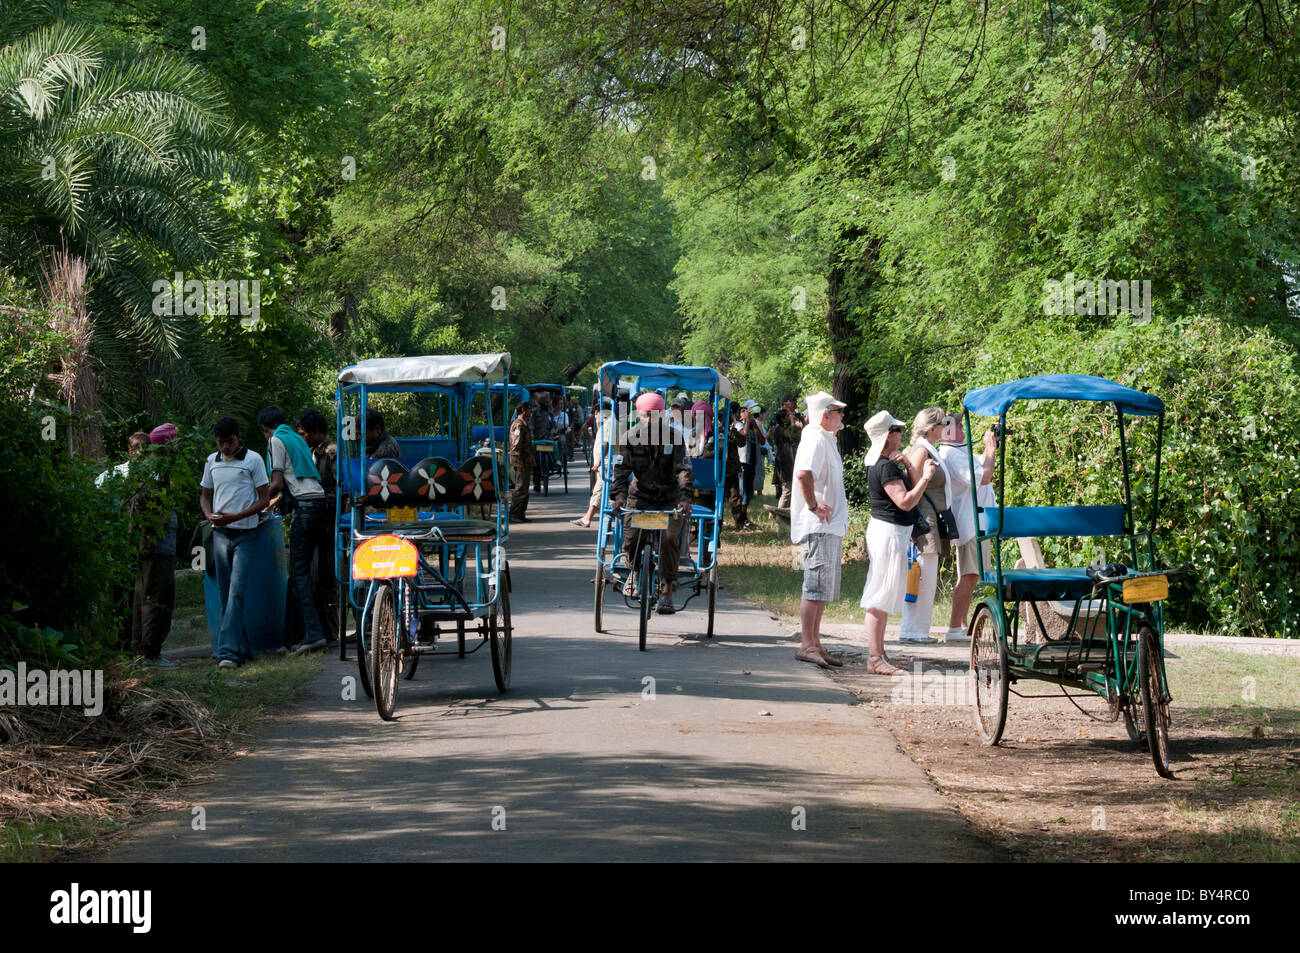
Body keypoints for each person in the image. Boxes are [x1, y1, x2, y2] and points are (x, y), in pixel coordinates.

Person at [860, 410, 935, 675]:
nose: (902, 434)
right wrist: (925, 477)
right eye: (898, 430)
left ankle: (880, 655)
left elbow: (909, 489)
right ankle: (874, 657)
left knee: (885, 594)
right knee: (879, 596)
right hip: (888, 534)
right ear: (888, 435)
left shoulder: (887, 463)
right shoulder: (884, 466)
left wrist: (910, 466)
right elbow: (905, 501)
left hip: (893, 533)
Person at [610, 392, 694, 614]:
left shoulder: (675, 437)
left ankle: (667, 591)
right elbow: (620, 471)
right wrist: (618, 496)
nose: (651, 420)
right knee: (632, 538)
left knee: (668, 539)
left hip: (670, 499)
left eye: (655, 415)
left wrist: (685, 498)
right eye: (647, 416)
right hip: (640, 498)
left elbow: (684, 470)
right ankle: (636, 572)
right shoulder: (629, 437)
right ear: (639, 415)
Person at [200, 416, 271, 669]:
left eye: (229, 442)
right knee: (225, 595)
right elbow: (205, 496)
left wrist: (237, 516)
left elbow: (264, 499)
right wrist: (209, 515)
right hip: (220, 534)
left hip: (246, 534)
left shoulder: (253, 459)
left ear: (238, 437)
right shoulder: (211, 461)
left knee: (237, 592)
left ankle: (227, 652)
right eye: (220, 443)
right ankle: (242, 649)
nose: (225, 448)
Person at [790, 391, 849, 668]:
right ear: (825, 415)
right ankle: (806, 644)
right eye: (838, 411)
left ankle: (815, 642)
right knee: (814, 586)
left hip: (829, 525)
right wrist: (813, 506)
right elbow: (803, 473)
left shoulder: (826, 439)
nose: (842, 416)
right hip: (819, 524)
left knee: (822, 588)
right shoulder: (815, 438)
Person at [937, 415, 998, 641]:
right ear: (948, 432)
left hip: (976, 522)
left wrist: (990, 445)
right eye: (959, 425)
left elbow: (982, 462)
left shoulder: (958, 453)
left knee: (969, 574)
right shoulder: (951, 455)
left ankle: (961, 624)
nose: (963, 428)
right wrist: (990, 449)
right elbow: (985, 476)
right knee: (970, 575)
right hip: (970, 523)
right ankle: (954, 627)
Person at [127, 423, 180, 667]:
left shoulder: (147, 468)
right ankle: (150, 653)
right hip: (155, 545)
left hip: (147, 543)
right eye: (175, 442)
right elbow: (148, 508)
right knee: (157, 596)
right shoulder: (155, 470)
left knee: (143, 596)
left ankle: (140, 649)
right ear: (167, 445)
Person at [294, 408, 340, 644]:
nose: (301, 437)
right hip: (315, 519)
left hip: (329, 521)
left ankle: (331, 632)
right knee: (312, 577)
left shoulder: (332, 453)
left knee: (327, 577)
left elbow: (341, 490)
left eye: (303, 433)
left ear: (314, 432)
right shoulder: (309, 452)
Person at [571, 399, 612, 527]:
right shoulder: (607, 423)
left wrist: (598, 462)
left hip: (605, 464)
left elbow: (606, 444)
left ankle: (589, 518)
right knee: (601, 491)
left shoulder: (609, 423)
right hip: (604, 464)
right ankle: (588, 518)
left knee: (600, 491)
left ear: (598, 412)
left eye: (596, 414)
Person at [735, 399, 767, 510]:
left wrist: (755, 425)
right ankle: (741, 515)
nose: (747, 413)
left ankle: (744, 513)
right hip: (743, 462)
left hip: (753, 462)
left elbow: (762, 441)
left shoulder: (754, 426)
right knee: (742, 490)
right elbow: (743, 434)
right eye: (744, 411)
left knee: (749, 491)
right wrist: (748, 421)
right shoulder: (738, 425)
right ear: (740, 415)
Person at [508, 401, 535, 522]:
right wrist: (518, 462)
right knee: (520, 488)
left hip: (526, 461)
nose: (531, 411)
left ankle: (520, 514)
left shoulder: (524, 424)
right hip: (521, 461)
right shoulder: (518, 425)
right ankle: (514, 514)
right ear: (523, 410)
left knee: (524, 489)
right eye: (529, 409)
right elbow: (515, 445)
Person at [770, 407, 798, 509]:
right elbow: (791, 435)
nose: (789, 417)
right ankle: (778, 515)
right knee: (787, 491)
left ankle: (784, 514)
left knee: (789, 490)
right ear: (782, 419)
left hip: (788, 462)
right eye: (787, 416)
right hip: (784, 464)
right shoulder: (779, 429)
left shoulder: (784, 428)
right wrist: (792, 421)